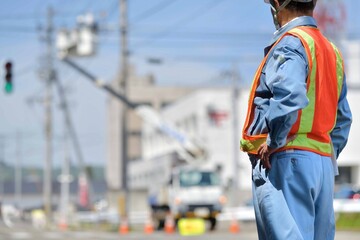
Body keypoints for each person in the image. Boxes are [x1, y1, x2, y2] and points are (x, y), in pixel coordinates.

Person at [240, 0, 352, 239]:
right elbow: (343, 119)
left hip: (287, 159)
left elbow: (290, 95)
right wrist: (324, 154)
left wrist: (274, 142)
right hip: (322, 163)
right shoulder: (331, 51)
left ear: (278, 4)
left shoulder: (291, 43)